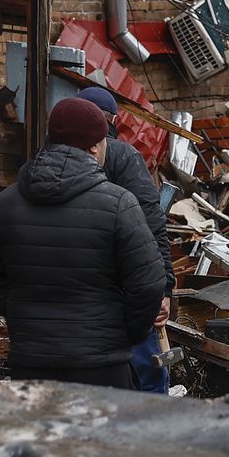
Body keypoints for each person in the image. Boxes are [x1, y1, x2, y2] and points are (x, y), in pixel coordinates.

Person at [0, 97, 172, 388]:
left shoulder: (6, 203)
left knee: (47, 434)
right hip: (102, 365)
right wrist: (123, 333)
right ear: (94, 147)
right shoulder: (119, 205)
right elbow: (148, 284)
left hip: (31, 363)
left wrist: (22, 312)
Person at [75, 85, 175, 393]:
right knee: (147, 371)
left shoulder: (47, 158)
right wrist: (164, 287)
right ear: (111, 122)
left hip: (76, 296)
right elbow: (151, 222)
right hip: (124, 288)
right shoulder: (122, 155)